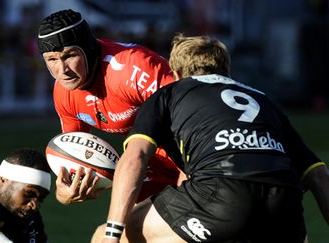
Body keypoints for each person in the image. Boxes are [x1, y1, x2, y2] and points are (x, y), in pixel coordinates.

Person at [91, 35, 329, 243]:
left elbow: (136, 156)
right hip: (283, 205)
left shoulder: (170, 92)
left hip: (220, 195)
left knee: (105, 235)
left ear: (177, 73)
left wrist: (113, 233)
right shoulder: (264, 100)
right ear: (226, 69)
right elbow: (318, 174)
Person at [37, 9, 185, 205]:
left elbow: (189, 114)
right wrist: (64, 189)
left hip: (192, 156)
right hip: (149, 164)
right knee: (120, 229)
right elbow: (73, 152)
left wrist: (190, 173)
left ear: (89, 48)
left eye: (69, 56)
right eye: (52, 60)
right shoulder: (64, 93)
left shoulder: (131, 68)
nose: (62, 70)